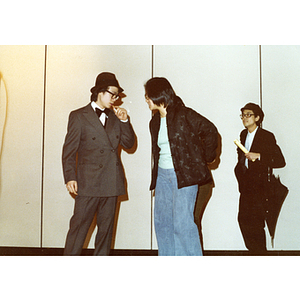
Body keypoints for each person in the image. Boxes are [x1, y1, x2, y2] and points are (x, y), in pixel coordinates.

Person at [62, 72, 135, 255]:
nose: (116, 99)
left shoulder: (116, 117)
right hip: (88, 184)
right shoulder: (79, 116)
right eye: (113, 94)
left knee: (105, 234)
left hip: (111, 182)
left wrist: (125, 120)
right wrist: (70, 177)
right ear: (99, 92)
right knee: (78, 231)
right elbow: (69, 151)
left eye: (117, 95)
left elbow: (129, 144)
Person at [144, 77, 218, 256]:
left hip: (185, 175)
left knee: (182, 223)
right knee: (162, 222)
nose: (145, 98)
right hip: (162, 176)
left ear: (157, 95)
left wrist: (205, 159)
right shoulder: (154, 121)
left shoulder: (185, 114)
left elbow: (210, 131)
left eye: (148, 95)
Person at [234, 103, 286, 254]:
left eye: (248, 115)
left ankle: (260, 255)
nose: (245, 118)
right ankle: (254, 252)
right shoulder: (243, 134)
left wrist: (259, 156)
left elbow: (280, 161)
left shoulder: (266, 136)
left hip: (260, 188)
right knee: (243, 220)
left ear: (257, 118)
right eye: (243, 115)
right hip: (246, 186)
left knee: (256, 224)